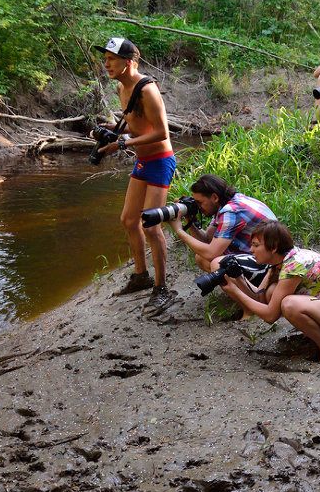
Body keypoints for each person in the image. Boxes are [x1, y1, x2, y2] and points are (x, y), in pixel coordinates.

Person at [93, 37, 177, 314]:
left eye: (111, 60)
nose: (106, 64)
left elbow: (162, 132)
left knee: (151, 226)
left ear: (128, 63)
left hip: (160, 161)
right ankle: (141, 277)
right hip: (143, 160)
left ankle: (162, 289)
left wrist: (121, 144)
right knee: (129, 220)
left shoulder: (148, 90)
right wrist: (112, 131)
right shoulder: (121, 87)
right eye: (105, 59)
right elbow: (139, 128)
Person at [220, 221, 320, 363]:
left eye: (256, 245)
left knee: (289, 304)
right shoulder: (279, 262)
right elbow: (260, 298)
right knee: (272, 291)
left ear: (274, 248)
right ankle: (315, 334)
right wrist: (238, 278)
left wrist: (235, 293)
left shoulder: (294, 264)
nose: (251, 250)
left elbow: (270, 316)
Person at [168, 174, 277, 301]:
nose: (199, 207)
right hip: (262, 257)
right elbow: (208, 240)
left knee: (218, 264)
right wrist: (190, 221)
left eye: (200, 202)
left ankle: (251, 302)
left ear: (214, 197)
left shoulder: (231, 211)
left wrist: (179, 231)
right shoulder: (226, 204)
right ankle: (249, 290)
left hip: (270, 264)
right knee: (201, 258)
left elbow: (211, 252)